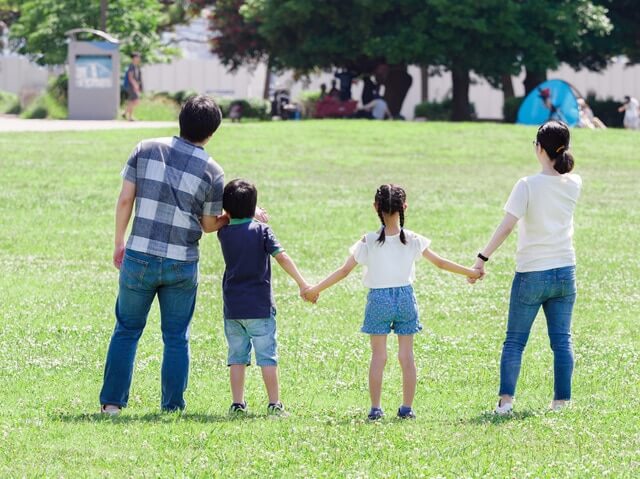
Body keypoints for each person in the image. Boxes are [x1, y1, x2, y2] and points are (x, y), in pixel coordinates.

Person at [303, 184, 482, 420]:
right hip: (406, 297)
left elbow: (344, 271)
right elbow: (440, 263)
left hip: (378, 299)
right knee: (406, 356)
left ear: (375, 207)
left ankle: (376, 409)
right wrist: (470, 271)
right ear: (404, 206)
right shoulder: (413, 239)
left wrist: (315, 289)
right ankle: (407, 408)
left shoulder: (367, 241)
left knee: (379, 356)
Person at [99, 95, 229, 415]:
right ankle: (172, 407)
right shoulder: (213, 171)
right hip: (182, 262)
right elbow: (209, 224)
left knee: (127, 330)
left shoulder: (144, 149)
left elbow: (125, 200)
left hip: (139, 254)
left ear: (180, 119)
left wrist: (119, 241)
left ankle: (112, 404)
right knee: (175, 337)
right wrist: (229, 217)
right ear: (211, 132)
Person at [470, 120, 582, 415]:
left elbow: (507, 226)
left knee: (515, 341)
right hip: (565, 271)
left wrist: (482, 258)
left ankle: (506, 402)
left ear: (538, 148)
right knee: (561, 340)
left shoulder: (527, 185)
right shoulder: (574, 183)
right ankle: (561, 402)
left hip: (532, 271)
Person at [218, 179, 311, 417]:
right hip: (259, 307)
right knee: (267, 357)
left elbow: (226, 216)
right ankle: (274, 404)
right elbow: (282, 258)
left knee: (236, 357)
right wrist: (302, 283)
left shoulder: (224, 232)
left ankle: (237, 404)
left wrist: (247, 212)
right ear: (254, 207)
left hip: (233, 308)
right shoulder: (262, 231)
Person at [123, 52, 143, 121]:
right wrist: (135, 85)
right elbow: (130, 77)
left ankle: (126, 114)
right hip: (130, 86)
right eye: (138, 57)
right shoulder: (131, 66)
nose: (139, 59)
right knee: (135, 100)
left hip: (132, 86)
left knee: (132, 101)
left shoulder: (135, 66)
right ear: (134, 58)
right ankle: (128, 115)